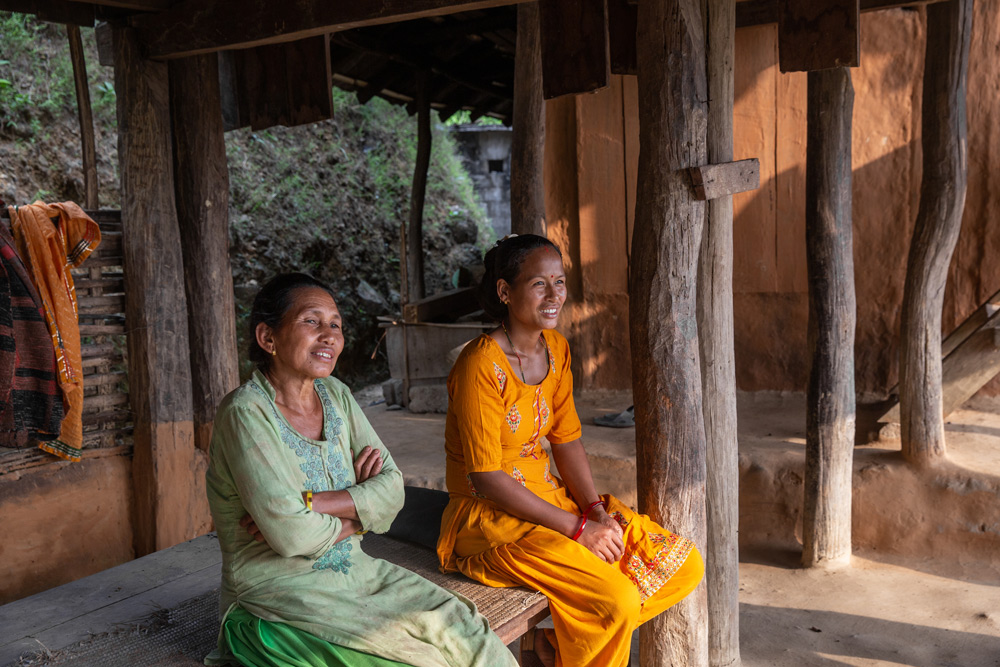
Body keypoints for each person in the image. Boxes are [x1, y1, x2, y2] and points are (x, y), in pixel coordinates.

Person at [205, 273, 517, 667]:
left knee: (467, 629)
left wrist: (318, 504)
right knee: (419, 660)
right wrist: (362, 513)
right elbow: (290, 536)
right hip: (273, 596)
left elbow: (393, 491)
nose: (330, 335)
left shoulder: (336, 395)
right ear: (268, 338)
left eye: (335, 324)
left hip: (356, 572)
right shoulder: (245, 413)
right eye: (312, 321)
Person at [437, 235, 704, 667]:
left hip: (551, 501)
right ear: (505, 292)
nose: (554, 295)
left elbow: (567, 440)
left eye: (559, 282)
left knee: (682, 564)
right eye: (538, 284)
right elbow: (486, 477)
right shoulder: (479, 365)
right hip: (489, 518)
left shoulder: (556, 349)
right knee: (614, 601)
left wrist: (594, 510)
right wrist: (578, 530)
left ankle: (560, 652)